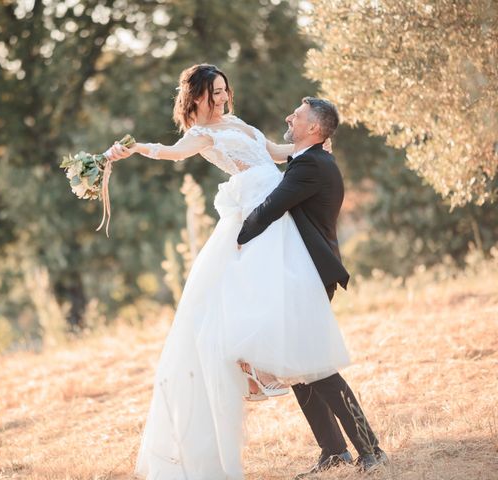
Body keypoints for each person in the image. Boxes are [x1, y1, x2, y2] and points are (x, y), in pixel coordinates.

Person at [107, 64, 351, 480]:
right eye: (214, 93)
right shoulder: (200, 134)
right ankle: (262, 369)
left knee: (295, 317)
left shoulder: (235, 121)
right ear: (196, 96)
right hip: (255, 220)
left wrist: (310, 148)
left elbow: (273, 151)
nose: (222, 98)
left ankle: (334, 439)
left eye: (223, 90)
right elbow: (170, 154)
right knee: (250, 314)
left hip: (277, 213)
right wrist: (133, 149)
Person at [237, 97, 388, 477]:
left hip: (310, 276)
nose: (290, 117)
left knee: (317, 366)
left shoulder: (310, 166)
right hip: (297, 274)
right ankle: (334, 451)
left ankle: (371, 450)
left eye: (298, 116)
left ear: (314, 130)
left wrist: (236, 239)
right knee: (297, 364)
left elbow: (271, 207)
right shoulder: (311, 161)